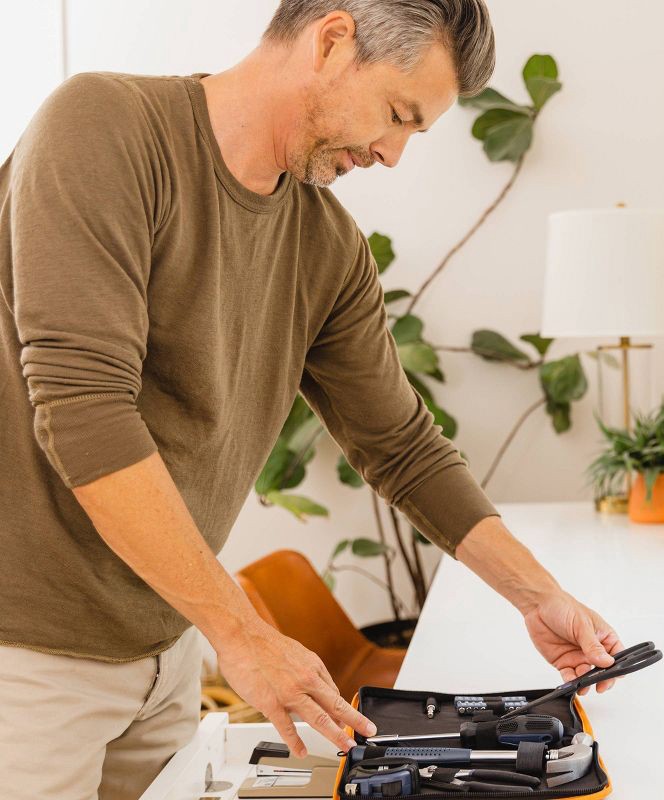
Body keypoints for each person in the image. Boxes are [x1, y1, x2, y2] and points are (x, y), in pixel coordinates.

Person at [0, 2, 623, 798]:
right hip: (27, 654)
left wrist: (543, 599)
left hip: (166, 647)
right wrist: (244, 634)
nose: (394, 154)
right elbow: (83, 406)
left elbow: (400, 443)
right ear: (332, 41)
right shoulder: (105, 128)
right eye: (398, 115)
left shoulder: (326, 245)